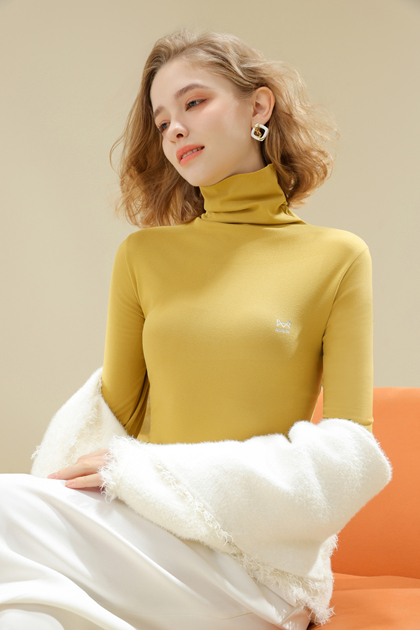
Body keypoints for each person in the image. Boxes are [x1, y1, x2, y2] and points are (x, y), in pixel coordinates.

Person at [0, 28, 392, 630]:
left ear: (259, 106)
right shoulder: (142, 257)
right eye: (162, 122)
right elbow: (114, 418)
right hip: (143, 534)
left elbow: (348, 456)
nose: (175, 129)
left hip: (252, 566)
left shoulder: (337, 257)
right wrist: (117, 480)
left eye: (194, 102)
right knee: (24, 608)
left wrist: (148, 474)